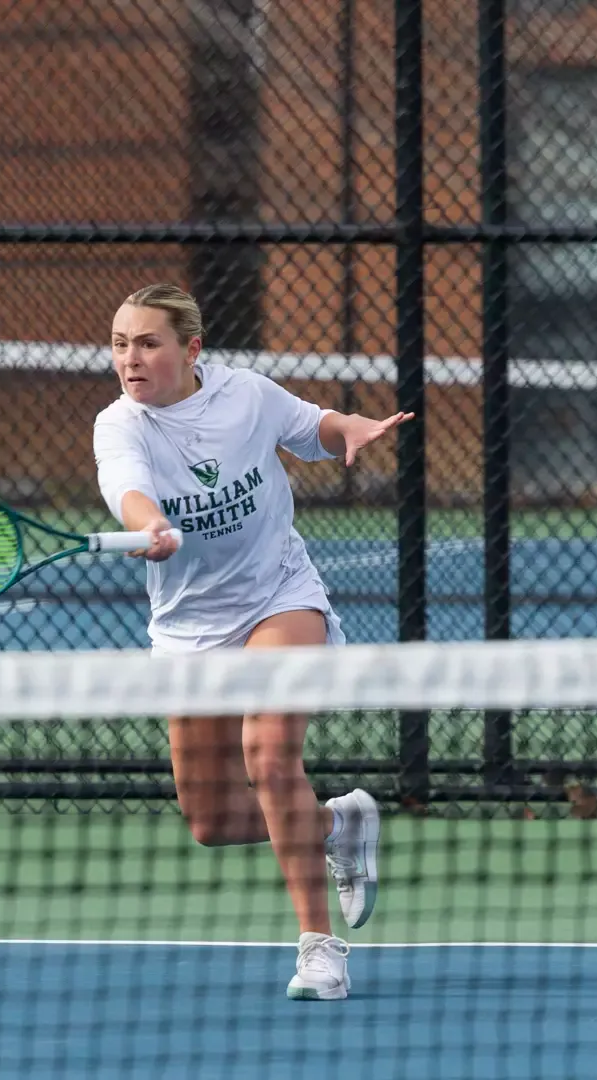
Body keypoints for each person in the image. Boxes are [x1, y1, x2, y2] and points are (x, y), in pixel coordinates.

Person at [91, 283, 412, 1000]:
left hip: (279, 598)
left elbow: (314, 426)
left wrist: (349, 430)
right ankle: (338, 821)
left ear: (190, 349)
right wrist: (147, 524)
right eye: (119, 344)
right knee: (210, 821)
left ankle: (318, 950)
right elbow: (126, 485)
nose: (130, 359)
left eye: (147, 343)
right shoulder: (120, 426)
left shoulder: (245, 396)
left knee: (269, 760)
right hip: (188, 631)